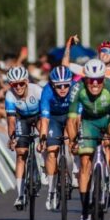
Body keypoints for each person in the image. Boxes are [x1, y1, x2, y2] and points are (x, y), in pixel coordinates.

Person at [65, 60, 110, 220]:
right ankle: (85, 211)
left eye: (99, 79)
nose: (95, 83)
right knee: (85, 161)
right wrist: (72, 142)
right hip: (89, 122)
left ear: (103, 78)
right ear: (85, 78)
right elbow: (71, 120)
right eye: (91, 79)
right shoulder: (77, 88)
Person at [3, 66, 43, 210]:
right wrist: (13, 137)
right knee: (21, 154)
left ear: (26, 82)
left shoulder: (37, 90)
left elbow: (46, 114)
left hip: (38, 116)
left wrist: (44, 136)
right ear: (10, 85)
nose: (18, 87)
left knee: (45, 137)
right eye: (14, 85)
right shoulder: (10, 96)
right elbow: (11, 121)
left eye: (21, 83)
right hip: (21, 119)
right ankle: (20, 195)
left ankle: (45, 164)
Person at [37, 67, 75, 212]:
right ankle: (52, 191)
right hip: (53, 118)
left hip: (70, 117)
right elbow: (45, 120)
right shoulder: (46, 92)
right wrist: (43, 139)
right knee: (52, 150)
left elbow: (77, 118)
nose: (63, 89)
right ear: (53, 85)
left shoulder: (74, 90)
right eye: (59, 86)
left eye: (66, 85)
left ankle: (74, 171)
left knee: (71, 142)